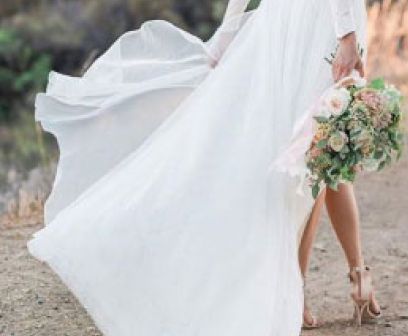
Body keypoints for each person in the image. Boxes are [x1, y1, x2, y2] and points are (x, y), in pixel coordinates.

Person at [28, 0, 376, 335]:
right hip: (317, 26)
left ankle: (338, 280)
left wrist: (227, 33)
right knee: (316, 151)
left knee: (319, 148)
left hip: (283, 22)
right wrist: (346, 36)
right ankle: (334, 281)